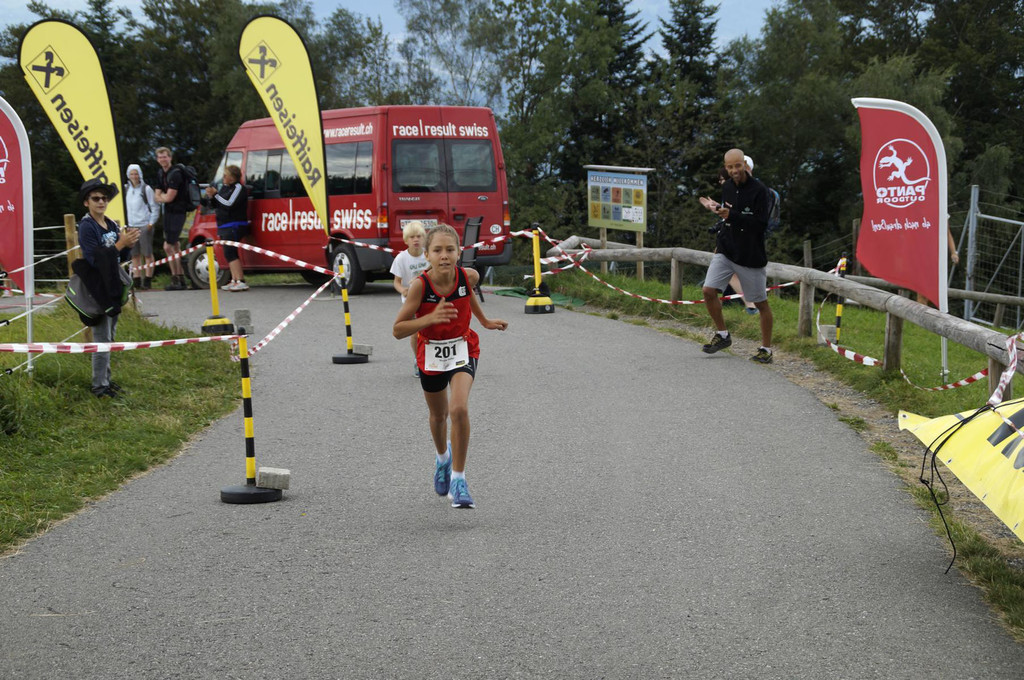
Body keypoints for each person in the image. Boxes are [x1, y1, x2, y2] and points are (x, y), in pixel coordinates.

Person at [392, 224, 508, 508]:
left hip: (463, 347)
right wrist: (428, 320)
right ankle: (442, 458)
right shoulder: (420, 285)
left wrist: (484, 321)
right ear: (427, 256)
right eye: (437, 250)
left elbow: (468, 293)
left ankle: (459, 479)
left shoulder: (468, 276)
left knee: (458, 408)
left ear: (459, 253)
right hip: (430, 352)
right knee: (438, 416)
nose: (444, 255)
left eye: (450, 250)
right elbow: (398, 329)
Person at [699, 147, 774, 364]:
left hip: (750, 255)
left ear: (745, 165)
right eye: (729, 167)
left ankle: (766, 349)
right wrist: (716, 209)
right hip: (726, 249)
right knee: (708, 290)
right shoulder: (728, 187)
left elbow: (760, 225)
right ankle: (722, 335)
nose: (734, 171)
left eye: (737, 166)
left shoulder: (760, 191)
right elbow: (727, 214)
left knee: (760, 303)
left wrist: (733, 215)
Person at [77, 178, 139, 397]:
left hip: (113, 285)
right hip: (98, 288)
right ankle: (99, 387)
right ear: (87, 202)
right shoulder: (87, 226)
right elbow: (94, 259)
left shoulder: (111, 224)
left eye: (104, 198)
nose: (101, 201)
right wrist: (120, 244)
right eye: (96, 198)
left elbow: (120, 257)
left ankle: (106, 380)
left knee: (109, 336)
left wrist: (128, 246)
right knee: (101, 338)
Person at [390, 220, 429, 374]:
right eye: (412, 237)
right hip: (411, 301)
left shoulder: (428, 254)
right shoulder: (401, 258)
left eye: (419, 236)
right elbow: (396, 282)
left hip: (429, 298)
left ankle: (434, 359)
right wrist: (404, 290)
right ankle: (418, 360)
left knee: (432, 330)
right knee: (415, 333)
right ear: (406, 240)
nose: (416, 239)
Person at [203, 164, 249, 291]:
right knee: (227, 253)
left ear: (232, 177)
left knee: (231, 251)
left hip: (235, 224)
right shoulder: (224, 188)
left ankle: (240, 280)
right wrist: (210, 196)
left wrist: (216, 195)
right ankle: (234, 279)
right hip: (223, 224)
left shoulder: (239, 188)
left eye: (225, 175)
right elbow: (216, 204)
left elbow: (229, 204)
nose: (223, 178)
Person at [154, 147, 189, 291]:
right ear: (157, 159)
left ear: (170, 158)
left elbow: (168, 197)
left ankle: (176, 277)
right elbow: (156, 196)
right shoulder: (161, 173)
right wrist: (162, 197)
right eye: (160, 157)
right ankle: (180, 278)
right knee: (174, 246)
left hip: (178, 212)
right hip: (168, 212)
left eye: (165, 157)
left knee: (167, 246)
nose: (163, 159)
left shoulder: (176, 173)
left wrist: (161, 197)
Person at [124, 163, 158, 290]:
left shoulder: (146, 189)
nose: (134, 176)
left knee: (147, 253)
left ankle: (148, 279)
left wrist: (151, 223)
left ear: (140, 174)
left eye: (136, 173)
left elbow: (154, 207)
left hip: (144, 224)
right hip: (131, 226)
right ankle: (137, 279)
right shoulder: (126, 189)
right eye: (132, 174)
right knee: (135, 255)